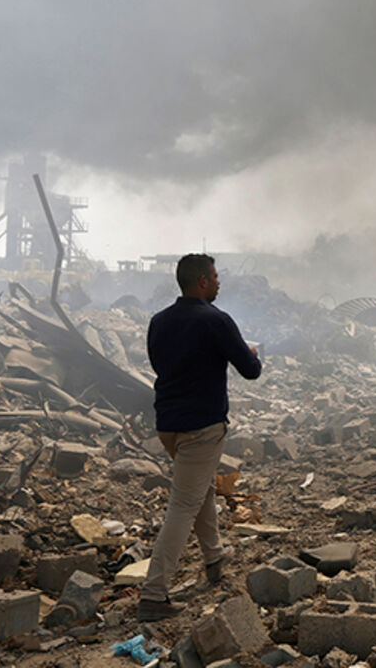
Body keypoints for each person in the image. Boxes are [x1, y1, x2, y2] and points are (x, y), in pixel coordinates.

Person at [137, 254, 261, 622]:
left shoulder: (159, 321)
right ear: (202, 281)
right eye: (216, 277)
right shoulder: (216, 321)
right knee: (182, 505)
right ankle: (153, 595)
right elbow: (250, 370)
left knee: (199, 488)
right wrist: (251, 352)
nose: (220, 283)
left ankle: (214, 557)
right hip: (201, 427)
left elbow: (160, 365)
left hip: (168, 425)